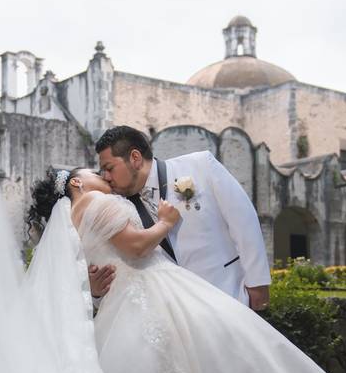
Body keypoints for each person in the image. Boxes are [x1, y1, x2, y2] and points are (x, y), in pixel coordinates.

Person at [26, 167, 346, 373]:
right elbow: (135, 246)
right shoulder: (94, 199)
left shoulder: (69, 223)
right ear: (76, 182)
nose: (101, 174)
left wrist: (98, 289)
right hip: (152, 287)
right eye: (92, 171)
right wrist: (167, 221)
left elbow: (84, 274)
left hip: (119, 305)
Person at [89, 126, 271, 311]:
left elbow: (243, 220)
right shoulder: (117, 207)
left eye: (109, 168)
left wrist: (258, 283)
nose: (106, 177)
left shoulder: (201, 165)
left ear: (135, 158)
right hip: (173, 314)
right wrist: (97, 293)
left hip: (228, 292)